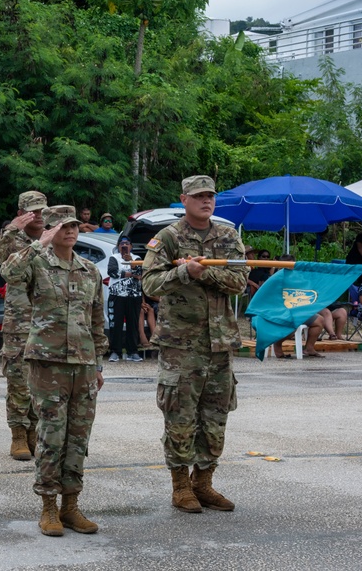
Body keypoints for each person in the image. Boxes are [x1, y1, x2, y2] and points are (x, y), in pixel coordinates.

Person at [2, 205, 109, 537]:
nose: (71, 230)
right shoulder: (35, 263)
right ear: (49, 230)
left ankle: (71, 506)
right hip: (47, 365)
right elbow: (8, 273)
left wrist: (99, 364)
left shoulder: (89, 270)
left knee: (79, 438)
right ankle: (48, 506)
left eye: (74, 225)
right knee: (51, 436)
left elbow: (96, 321)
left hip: (84, 365)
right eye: (63, 225)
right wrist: (38, 243)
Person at [142, 175, 247, 514]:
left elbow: (240, 282)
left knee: (216, 418)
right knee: (180, 418)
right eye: (199, 196)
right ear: (183, 199)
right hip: (181, 345)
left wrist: (205, 274)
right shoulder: (168, 238)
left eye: (211, 196)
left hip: (219, 345)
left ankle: (204, 483)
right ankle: (181, 486)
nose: (207, 201)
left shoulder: (228, 236)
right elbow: (151, 283)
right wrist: (184, 273)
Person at [0, 190, 49, 461]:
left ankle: (35, 431)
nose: (40, 216)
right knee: (19, 381)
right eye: (34, 211)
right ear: (21, 213)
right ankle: (19, 435)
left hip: (48, 321)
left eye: (43, 210)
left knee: (43, 382)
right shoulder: (12, 238)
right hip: (20, 322)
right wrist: (10, 230)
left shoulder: (52, 237)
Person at [107, 236, 144, 362]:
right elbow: (112, 272)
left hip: (134, 296)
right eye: (122, 244)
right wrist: (131, 274)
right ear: (118, 247)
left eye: (127, 244)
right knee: (115, 323)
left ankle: (132, 351)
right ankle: (115, 351)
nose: (124, 246)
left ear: (131, 246)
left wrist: (132, 264)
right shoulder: (114, 258)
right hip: (117, 295)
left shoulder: (137, 258)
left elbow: (140, 273)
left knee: (132, 324)